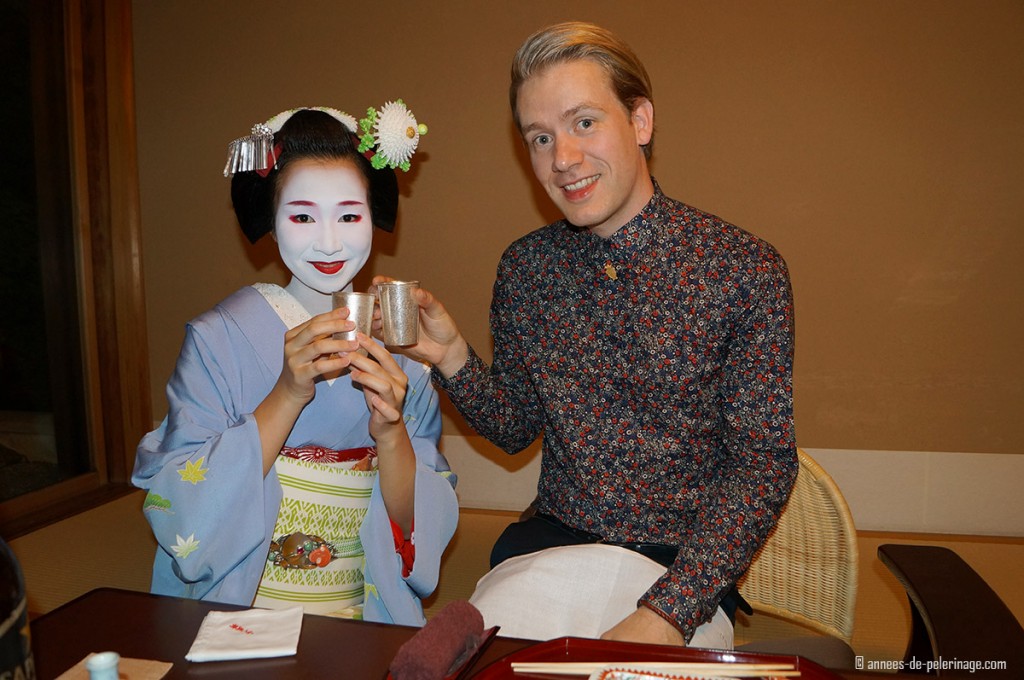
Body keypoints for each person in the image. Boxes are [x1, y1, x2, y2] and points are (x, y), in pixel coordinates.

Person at [377, 22, 797, 647]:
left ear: (641, 121)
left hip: (681, 571)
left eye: (584, 123)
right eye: (540, 138)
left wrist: (666, 613)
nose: (562, 159)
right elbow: (517, 427)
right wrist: (451, 357)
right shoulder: (526, 268)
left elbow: (763, 465)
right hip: (549, 548)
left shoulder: (741, 269)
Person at [133, 103, 458, 626]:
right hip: (242, 603)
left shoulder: (401, 348)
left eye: (349, 215)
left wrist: (392, 433)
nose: (328, 242)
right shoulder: (219, 338)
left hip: (361, 609)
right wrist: (287, 393)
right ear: (270, 218)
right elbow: (181, 503)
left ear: (373, 215)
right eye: (302, 216)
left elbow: (414, 529)